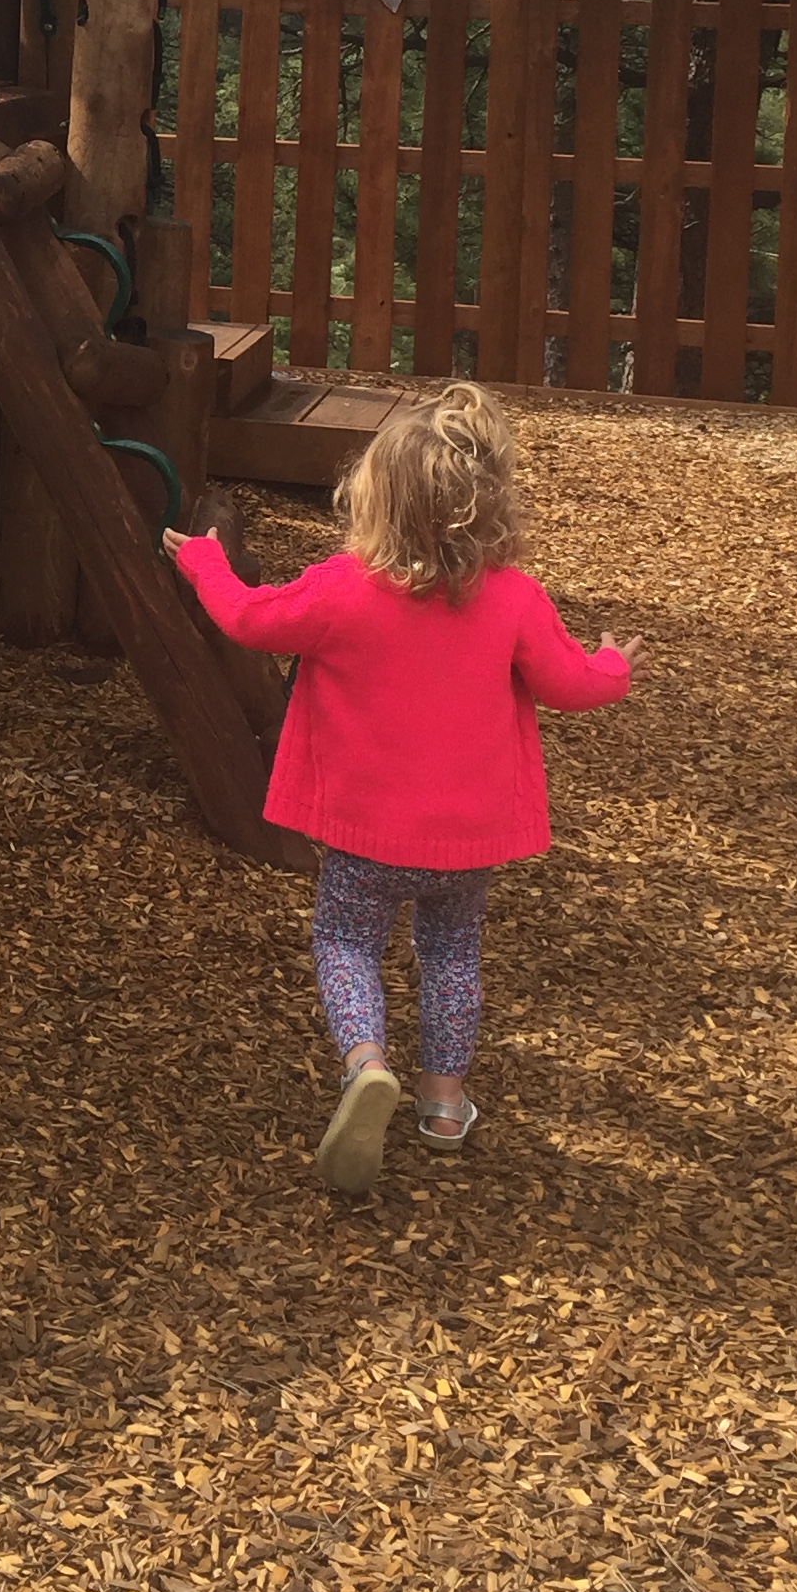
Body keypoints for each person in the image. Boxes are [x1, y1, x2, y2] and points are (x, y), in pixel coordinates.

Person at [164, 383, 635, 1194]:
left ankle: (367, 1065)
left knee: (347, 943)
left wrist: (204, 561)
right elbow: (569, 684)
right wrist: (614, 665)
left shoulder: (343, 588)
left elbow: (248, 620)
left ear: (375, 500)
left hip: (361, 832)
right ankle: (445, 1103)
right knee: (452, 953)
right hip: (470, 838)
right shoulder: (514, 599)